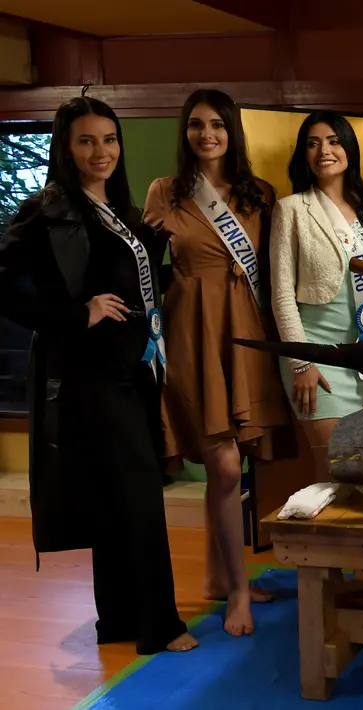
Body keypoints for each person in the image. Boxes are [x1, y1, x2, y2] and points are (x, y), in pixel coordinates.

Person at [0, 95, 197, 654]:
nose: (101, 151)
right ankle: (160, 625)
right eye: (86, 140)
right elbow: (7, 288)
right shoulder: (47, 211)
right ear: (65, 147)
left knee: (117, 499)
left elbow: (128, 284)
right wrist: (75, 314)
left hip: (132, 372)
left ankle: (116, 621)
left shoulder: (118, 208)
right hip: (90, 380)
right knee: (138, 495)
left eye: (109, 139)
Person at [143, 88, 293, 637]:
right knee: (224, 466)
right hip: (192, 336)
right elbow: (139, 265)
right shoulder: (166, 192)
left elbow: (279, 270)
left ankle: (215, 573)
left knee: (240, 462)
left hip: (247, 333)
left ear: (233, 132)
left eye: (218, 126)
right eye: (196, 125)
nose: (207, 135)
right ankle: (236, 591)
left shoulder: (259, 195)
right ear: (185, 132)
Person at [270, 111, 363, 483]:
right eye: (313, 143)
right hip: (317, 360)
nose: (324, 150)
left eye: (334, 141)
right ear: (304, 154)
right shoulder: (291, 209)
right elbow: (281, 295)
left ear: (349, 149)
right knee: (336, 474)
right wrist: (301, 364)